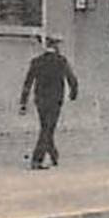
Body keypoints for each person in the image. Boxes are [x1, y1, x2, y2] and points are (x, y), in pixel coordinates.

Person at [20, 35, 79, 170]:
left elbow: (28, 83)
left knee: (46, 127)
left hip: (40, 100)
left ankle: (53, 155)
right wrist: (73, 94)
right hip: (55, 100)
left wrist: (23, 102)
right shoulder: (61, 61)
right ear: (56, 47)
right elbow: (72, 80)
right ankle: (37, 159)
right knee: (48, 128)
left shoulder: (36, 61)